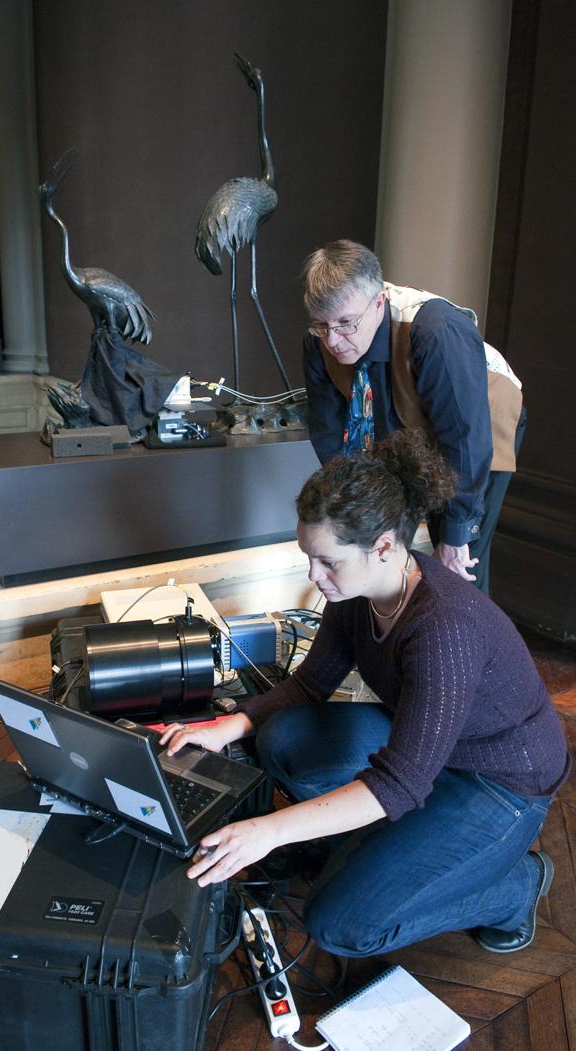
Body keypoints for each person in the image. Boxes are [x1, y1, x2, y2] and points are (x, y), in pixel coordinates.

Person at [160, 431, 570, 958]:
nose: (314, 575)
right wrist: (227, 725)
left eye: (328, 561)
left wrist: (267, 831)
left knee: (340, 925)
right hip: (428, 752)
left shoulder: (444, 628)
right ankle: (370, 849)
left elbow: (398, 784)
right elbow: (310, 684)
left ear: (382, 547)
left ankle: (516, 887)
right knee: (284, 736)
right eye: (309, 557)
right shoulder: (357, 593)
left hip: (500, 781)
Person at [301, 239, 525, 594]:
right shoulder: (322, 338)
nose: (332, 339)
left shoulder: (436, 331)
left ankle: (461, 642)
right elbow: (329, 433)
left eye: (345, 324)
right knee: (378, 549)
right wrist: (348, 509)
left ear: (378, 303)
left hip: (478, 423)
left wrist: (454, 537)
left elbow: (464, 440)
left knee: (456, 564)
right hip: (405, 422)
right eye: (321, 326)